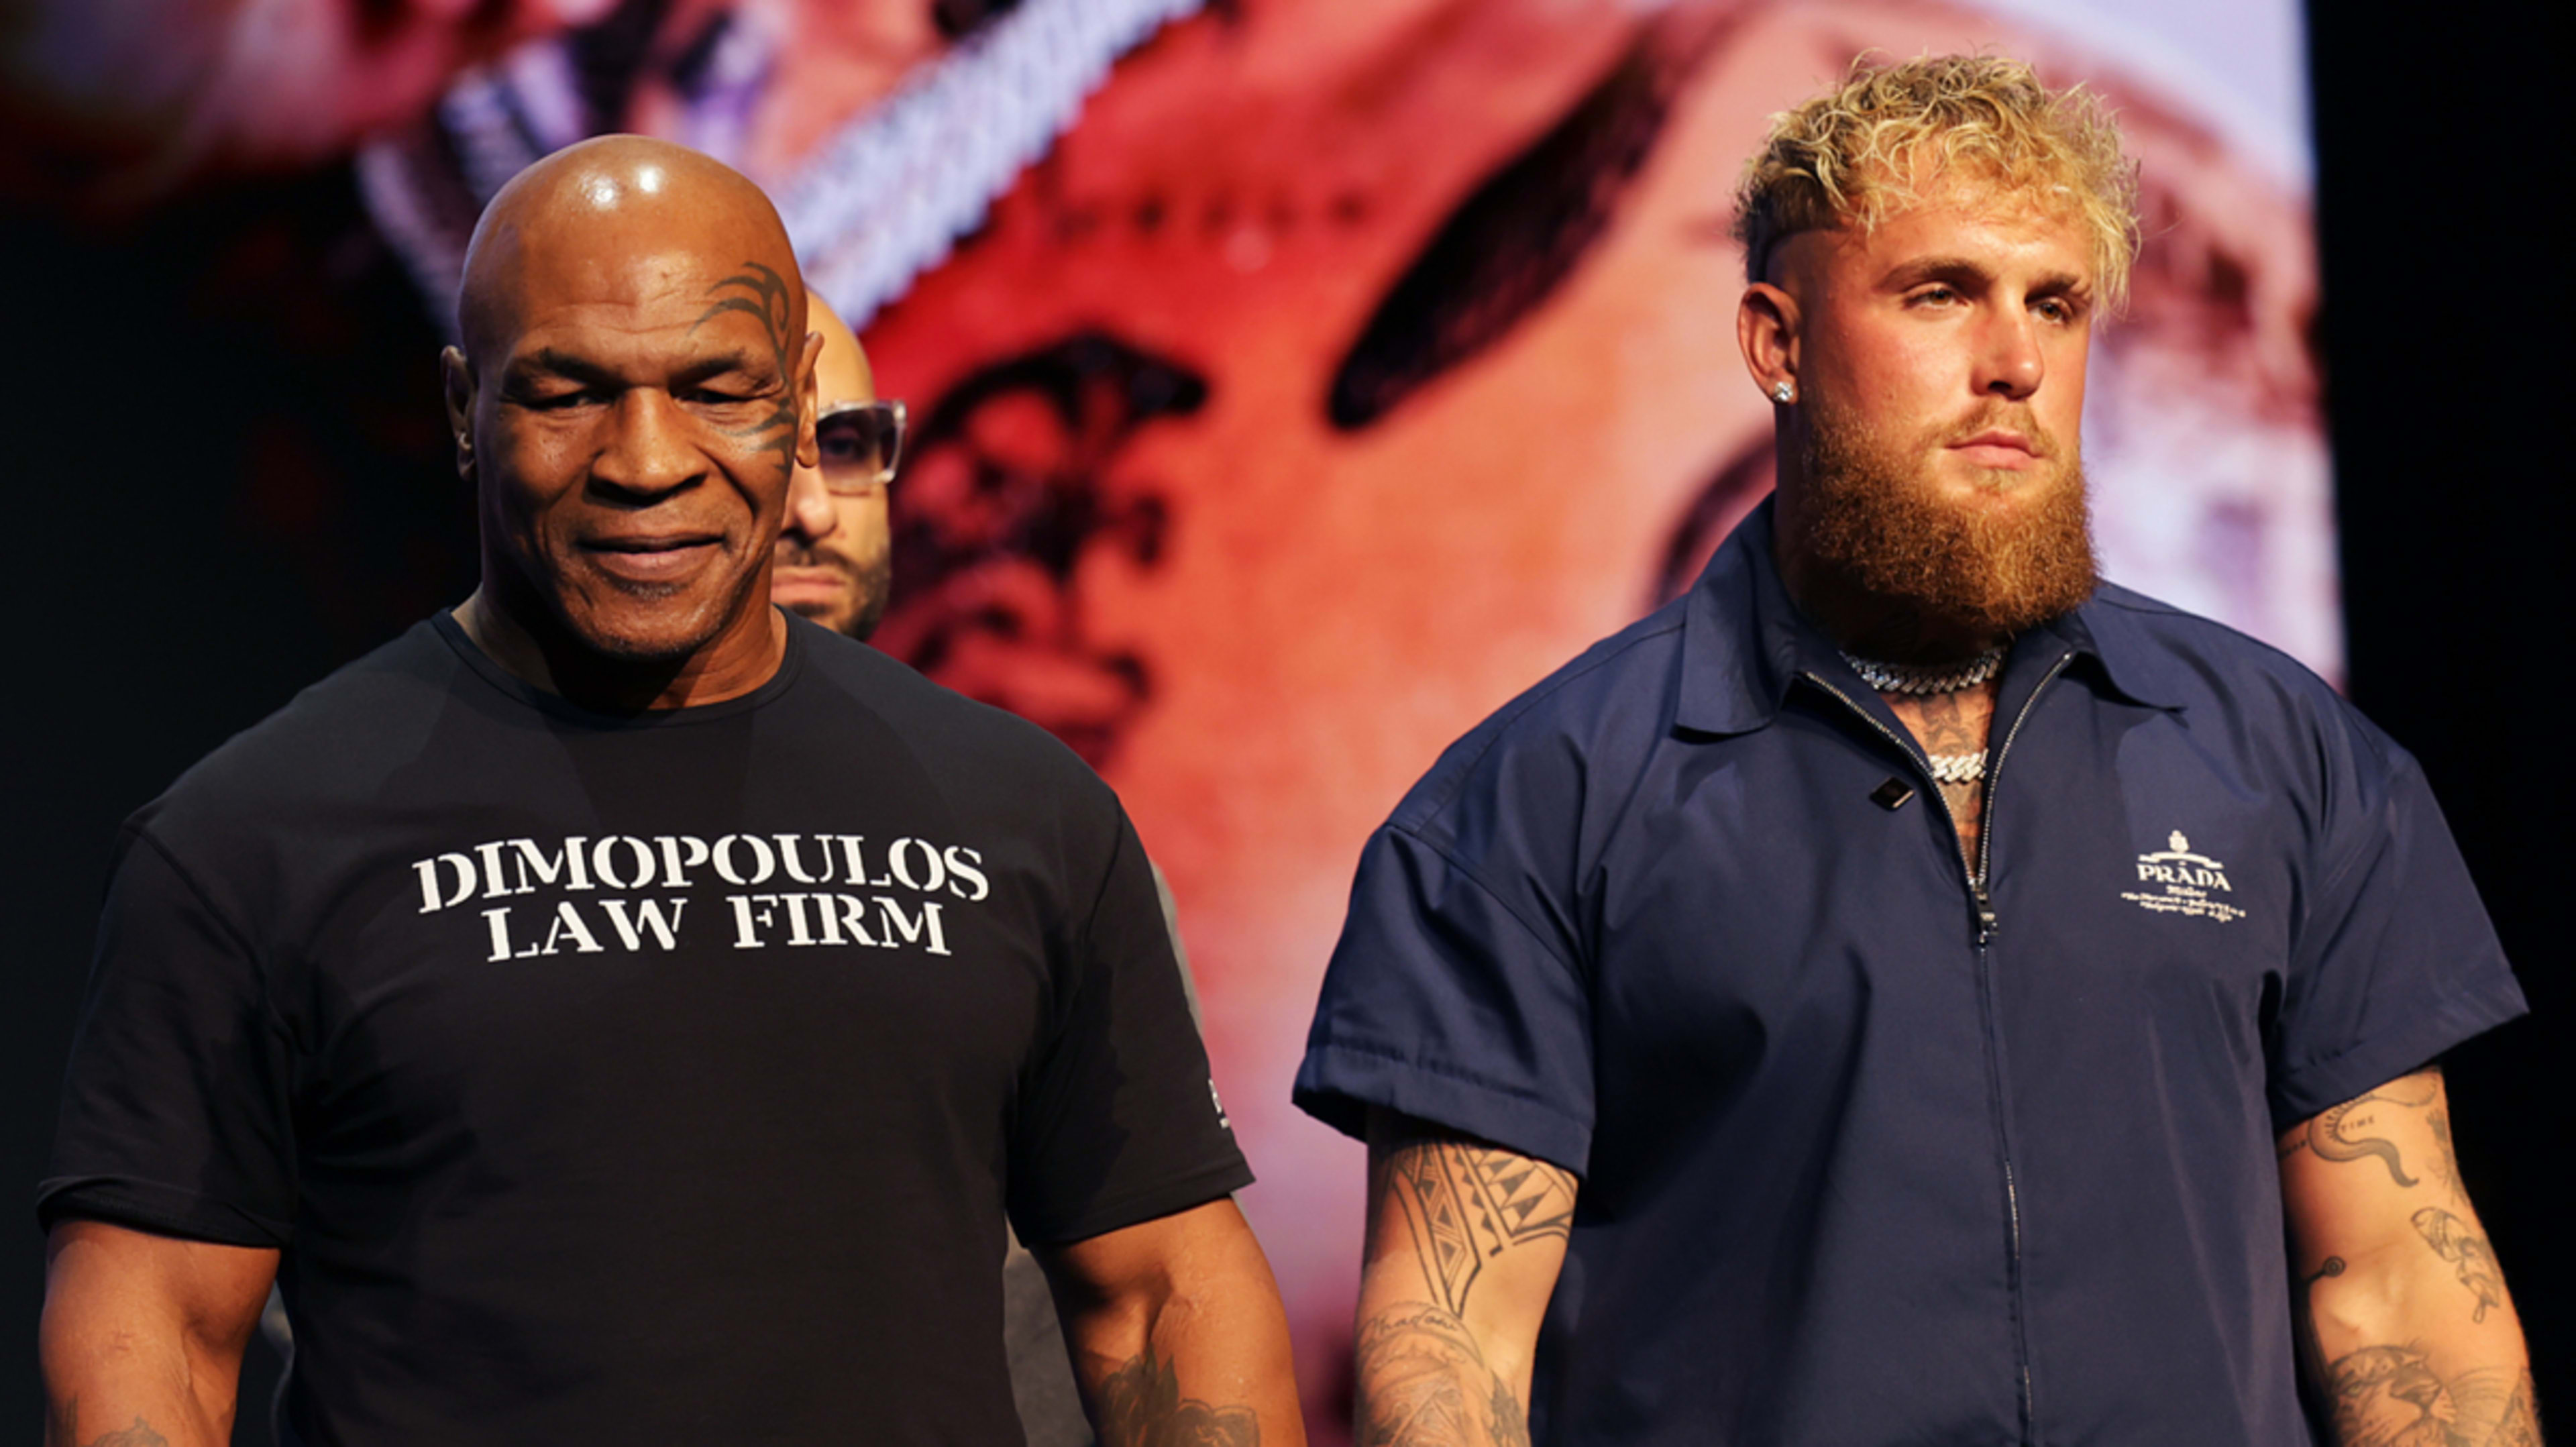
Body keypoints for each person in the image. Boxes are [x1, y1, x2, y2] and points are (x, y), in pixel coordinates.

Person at [1293, 55, 2536, 1446]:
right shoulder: (1531, 803)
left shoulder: (2288, 757)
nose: (2013, 359)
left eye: (2054, 303)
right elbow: (1450, 1351)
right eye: (1940, 291)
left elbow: (2399, 1283)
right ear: (1777, 342)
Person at [38, 134, 1301, 1446]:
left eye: (715, 388)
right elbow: (159, 1329)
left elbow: (1161, 1294)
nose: (646, 460)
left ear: (798, 404)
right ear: (463, 408)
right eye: (569, 391)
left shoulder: (1022, 813)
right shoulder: (251, 839)